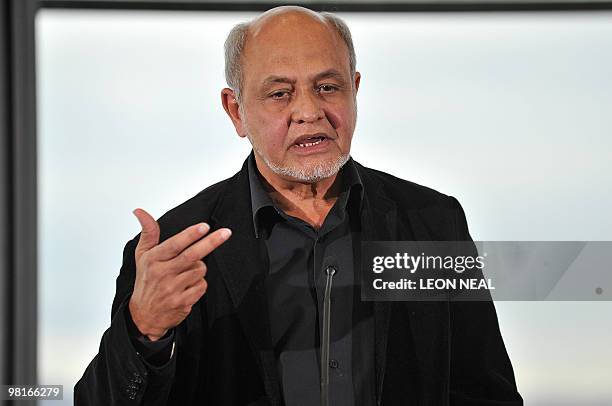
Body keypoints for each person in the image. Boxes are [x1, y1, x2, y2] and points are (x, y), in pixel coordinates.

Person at [75, 6, 522, 406]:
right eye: (280, 94)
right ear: (236, 111)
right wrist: (143, 331)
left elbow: (483, 390)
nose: (310, 111)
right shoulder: (175, 248)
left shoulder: (430, 223)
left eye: (328, 87)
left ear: (355, 90)